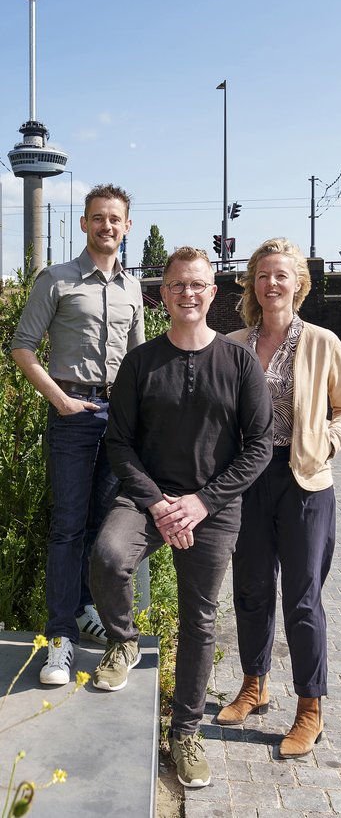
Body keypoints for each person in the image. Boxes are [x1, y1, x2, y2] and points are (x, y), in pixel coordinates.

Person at [89, 247, 273, 788]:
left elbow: (258, 446)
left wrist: (202, 503)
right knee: (107, 556)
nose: (188, 294)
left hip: (211, 507)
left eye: (198, 285)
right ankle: (122, 640)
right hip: (147, 501)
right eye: (177, 286)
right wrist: (157, 503)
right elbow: (119, 444)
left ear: (213, 294)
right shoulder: (141, 362)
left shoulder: (240, 364)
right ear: (162, 294)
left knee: (199, 618)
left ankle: (184, 734)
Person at [216, 237, 341, 759]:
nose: (272, 283)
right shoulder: (233, 344)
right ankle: (254, 685)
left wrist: (327, 441)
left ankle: (309, 708)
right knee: (252, 588)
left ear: (298, 283)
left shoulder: (322, 341)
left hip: (304, 482)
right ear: (252, 284)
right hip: (248, 479)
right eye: (263, 275)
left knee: (302, 599)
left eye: (282, 275)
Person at [11, 184, 144, 686]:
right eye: (98, 218)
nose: (107, 226)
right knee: (67, 528)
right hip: (72, 412)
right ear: (85, 223)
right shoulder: (58, 279)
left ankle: (89, 609)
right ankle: (60, 639)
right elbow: (22, 347)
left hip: (118, 418)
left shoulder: (133, 289)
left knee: (101, 525)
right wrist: (59, 400)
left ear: (126, 226)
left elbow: (138, 363)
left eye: (115, 219)